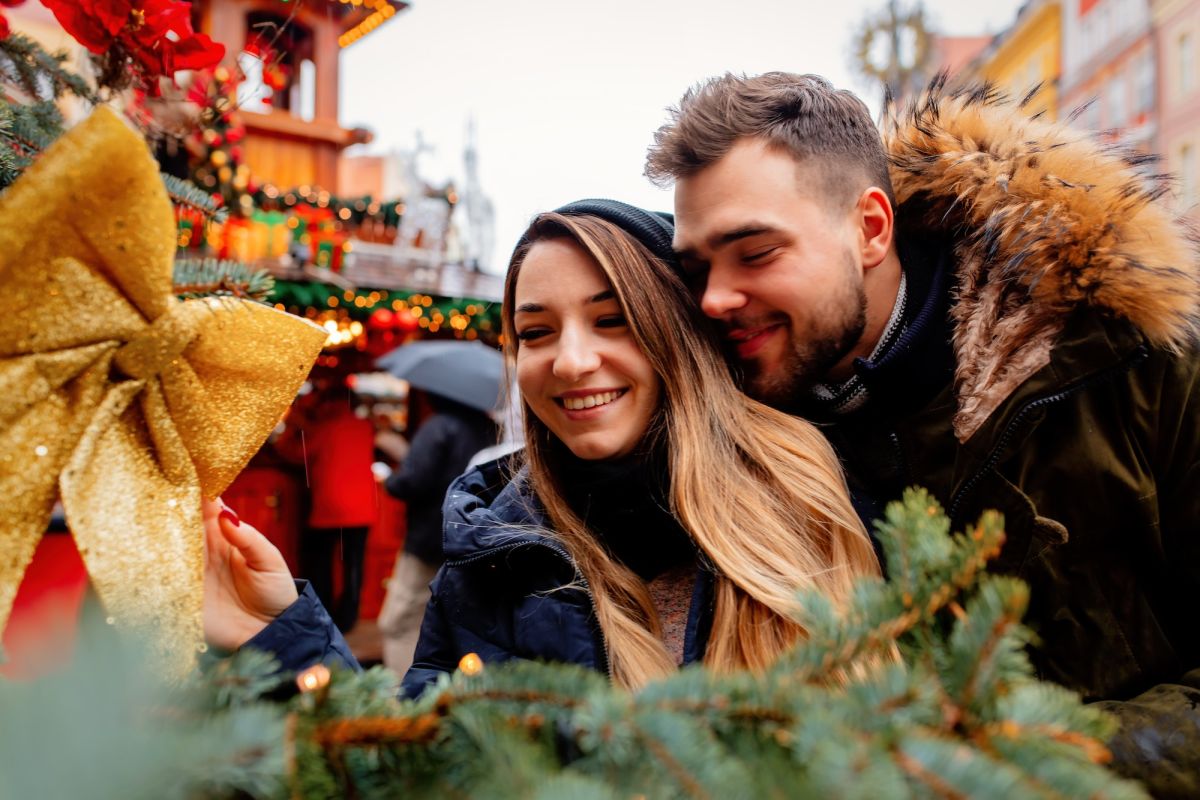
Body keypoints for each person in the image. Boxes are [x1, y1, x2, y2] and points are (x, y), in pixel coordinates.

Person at [644, 72, 1200, 795]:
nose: (715, 298)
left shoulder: (1124, 362)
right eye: (697, 268)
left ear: (870, 228)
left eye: (755, 253)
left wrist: (1029, 773)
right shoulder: (739, 435)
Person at [202, 199, 880, 696]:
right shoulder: (486, 563)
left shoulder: (815, 500)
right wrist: (290, 640)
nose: (571, 361)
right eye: (536, 331)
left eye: (611, 321)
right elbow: (418, 770)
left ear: (679, 335)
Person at [377, 388, 497, 675]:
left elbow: (409, 482)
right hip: (471, 541)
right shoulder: (489, 428)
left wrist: (388, 476)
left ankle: (403, 699)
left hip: (428, 540)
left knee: (400, 622)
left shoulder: (439, 426)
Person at [273, 384, 379, 632]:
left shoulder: (325, 427)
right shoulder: (363, 426)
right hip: (362, 510)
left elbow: (294, 455)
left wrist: (293, 426)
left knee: (321, 566)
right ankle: (349, 618)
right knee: (354, 566)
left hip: (329, 511)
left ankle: (323, 614)